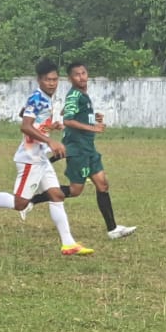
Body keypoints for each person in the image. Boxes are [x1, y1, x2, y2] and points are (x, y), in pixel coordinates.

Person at [0, 60, 93, 256]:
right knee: (20, 203)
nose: (52, 83)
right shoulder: (38, 97)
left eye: (54, 79)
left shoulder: (45, 98)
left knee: (57, 195)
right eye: (47, 80)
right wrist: (50, 141)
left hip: (40, 157)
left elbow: (26, 115)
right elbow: (25, 126)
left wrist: (50, 126)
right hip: (30, 159)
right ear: (39, 80)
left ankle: (68, 243)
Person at [59, 63, 136, 240]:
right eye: (77, 75)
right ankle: (33, 199)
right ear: (70, 79)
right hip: (78, 149)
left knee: (102, 184)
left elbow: (68, 109)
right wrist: (92, 127)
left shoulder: (82, 95)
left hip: (89, 149)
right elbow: (68, 119)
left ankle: (113, 229)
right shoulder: (75, 94)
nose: (81, 77)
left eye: (84, 73)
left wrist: (92, 116)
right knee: (75, 190)